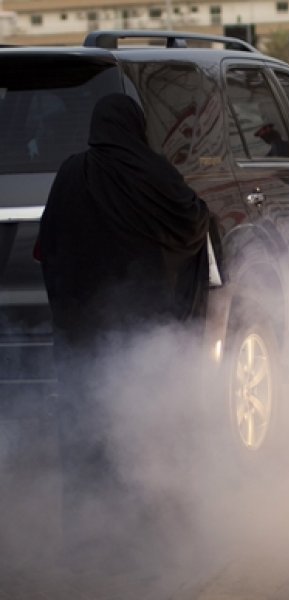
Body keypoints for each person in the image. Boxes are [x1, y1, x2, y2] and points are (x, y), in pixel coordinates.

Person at [36, 93, 213, 570]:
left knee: (87, 431)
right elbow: (194, 223)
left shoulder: (72, 172)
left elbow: (47, 248)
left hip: (82, 334)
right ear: (136, 126)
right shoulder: (155, 175)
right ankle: (148, 540)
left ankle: (91, 540)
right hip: (141, 332)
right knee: (144, 428)